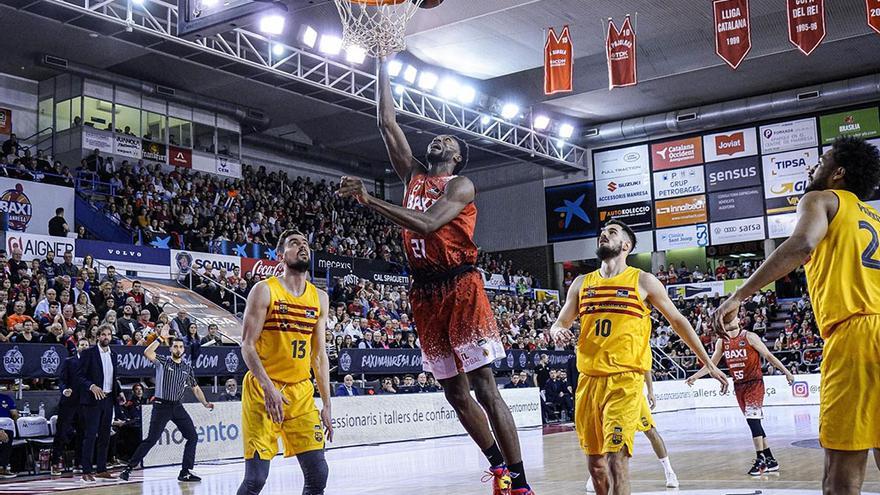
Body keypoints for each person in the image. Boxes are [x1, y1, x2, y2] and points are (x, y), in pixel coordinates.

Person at [336, 58, 534, 495]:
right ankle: (498, 468)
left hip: (460, 284)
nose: (440, 139)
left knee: (483, 385)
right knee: (454, 392)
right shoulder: (412, 175)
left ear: (458, 156)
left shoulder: (460, 186)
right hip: (424, 292)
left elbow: (426, 224)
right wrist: (383, 60)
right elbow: (386, 121)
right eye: (438, 137)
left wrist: (369, 200)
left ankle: (520, 481)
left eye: (450, 139)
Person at [710, 135, 880, 495]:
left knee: (841, 472)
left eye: (820, 161)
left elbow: (802, 244)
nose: (811, 168)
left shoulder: (821, 199)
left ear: (838, 173)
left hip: (857, 335)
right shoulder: (877, 218)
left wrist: (739, 294)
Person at [549, 220, 727, 495]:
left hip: (625, 381)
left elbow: (678, 322)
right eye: (602, 232)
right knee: (596, 466)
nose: (603, 235)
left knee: (616, 460)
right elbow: (560, 322)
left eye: (611, 232)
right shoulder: (582, 283)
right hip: (588, 381)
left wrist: (709, 363)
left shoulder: (642, 280)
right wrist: (556, 331)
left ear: (625, 245)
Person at [236, 230, 333, 495]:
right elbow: (247, 345)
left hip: (300, 392)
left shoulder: (320, 298)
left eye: (305, 243)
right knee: (256, 479)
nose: (302, 247)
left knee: (318, 474)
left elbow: (319, 355)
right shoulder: (265, 290)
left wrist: (326, 404)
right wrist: (269, 389)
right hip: (263, 389)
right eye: (294, 243)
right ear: (281, 256)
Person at [688, 321, 795, 475]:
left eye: (733, 318)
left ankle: (760, 460)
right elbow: (711, 364)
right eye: (727, 319)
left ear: (738, 321)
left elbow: (768, 355)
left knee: (753, 421)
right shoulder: (722, 342)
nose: (730, 321)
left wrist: (786, 372)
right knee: (754, 423)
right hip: (738, 386)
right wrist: (696, 376)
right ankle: (771, 459)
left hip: (754, 383)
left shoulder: (749, 337)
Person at [120, 331, 214, 482]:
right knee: (151, 439)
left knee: (193, 437)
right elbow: (147, 352)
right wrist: (160, 338)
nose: (178, 349)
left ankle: (185, 472)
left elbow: (195, 388)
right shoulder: (163, 361)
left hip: (177, 407)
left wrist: (205, 403)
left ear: (184, 350)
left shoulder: (187, 368)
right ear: (170, 349)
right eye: (175, 346)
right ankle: (129, 468)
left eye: (180, 347)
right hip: (161, 406)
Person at [586, 372, 679, 491]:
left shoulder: (636, 354)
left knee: (650, 431)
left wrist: (650, 391)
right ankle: (599, 471)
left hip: (632, 393)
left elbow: (645, 368)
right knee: (606, 434)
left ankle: (669, 471)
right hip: (610, 391)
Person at [76, 324, 124, 483]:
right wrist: (91, 386)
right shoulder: (89, 353)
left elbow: (113, 377)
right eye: (103, 334)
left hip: (109, 399)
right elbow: (79, 376)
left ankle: (102, 469)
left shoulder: (114, 355)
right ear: (97, 337)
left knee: (105, 435)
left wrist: (119, 391)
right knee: (90, 435)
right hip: (93, 400)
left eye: (108, 335)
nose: (106, 337)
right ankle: (86, 470)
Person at [51, 339, 88, 475]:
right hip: (68, 403)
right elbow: (61, 380)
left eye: (86, 345)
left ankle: (78, 462)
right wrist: (64, 389)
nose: (84, 347)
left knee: (82, 434)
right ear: (77, 347)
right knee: (61, 433)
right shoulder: (69, 361)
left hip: (84, 403)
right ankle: (55, 463)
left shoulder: (91, 363)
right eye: (82, 345)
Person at [0, 391, 19, 478]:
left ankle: (2, 466)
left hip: (6, 425)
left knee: (8, 433)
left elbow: (14, 414)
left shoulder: (6, 398)